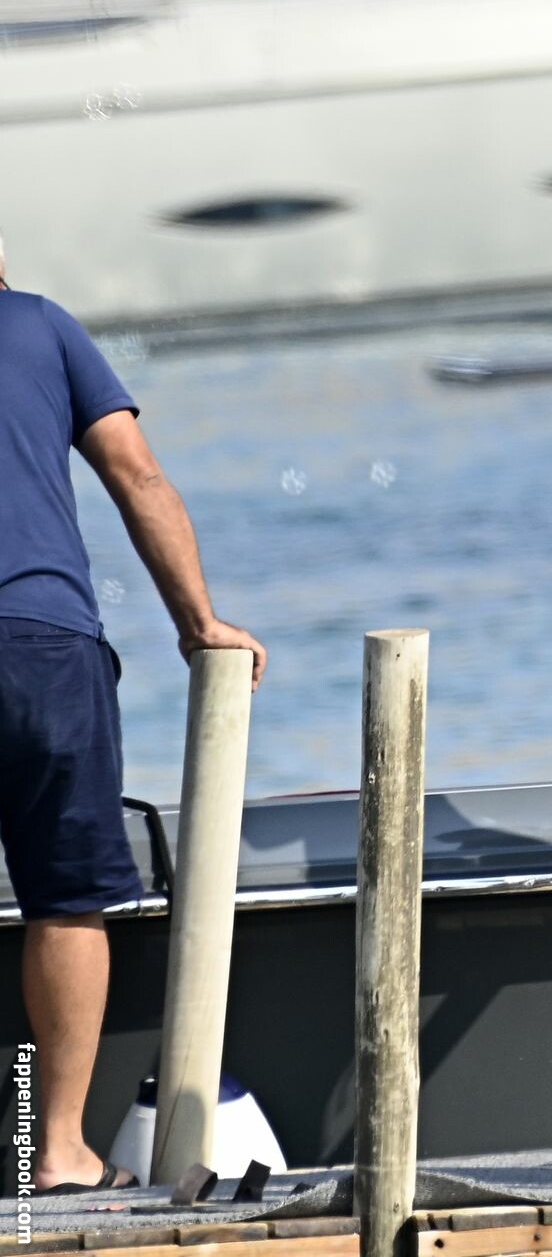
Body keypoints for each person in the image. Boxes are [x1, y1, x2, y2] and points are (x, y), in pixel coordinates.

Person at [0, 239, 266, 1193]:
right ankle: (57, 1153)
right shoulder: (38, 325)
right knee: (65, 899)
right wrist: (200, 624)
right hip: (41, 646)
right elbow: (136, 476)